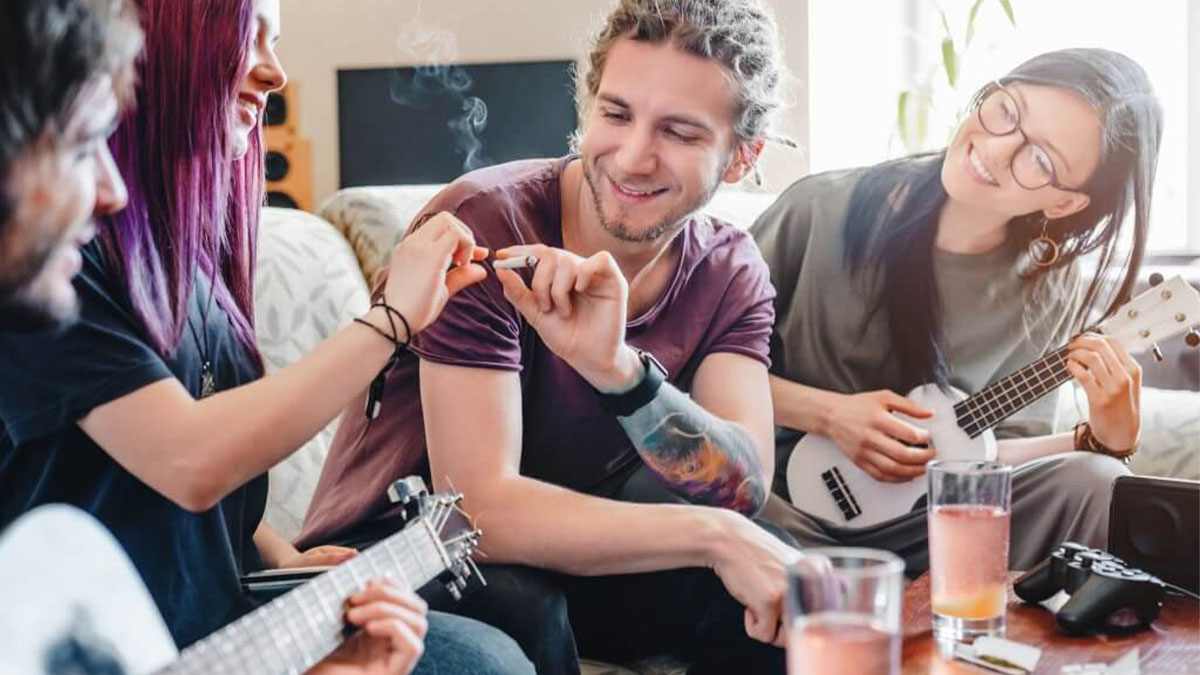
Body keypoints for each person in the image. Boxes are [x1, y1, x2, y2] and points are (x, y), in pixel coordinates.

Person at [0, 1, 534, 673]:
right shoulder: (52, 262)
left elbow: (196, 478)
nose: (276, 73)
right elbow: (191, 460)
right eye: (248, 36)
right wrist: (392, 319)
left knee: (504, 633)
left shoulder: (193, 254)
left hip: (218, 617)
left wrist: (285, 559)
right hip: (118, 646)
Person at [296, 1, 827, 673]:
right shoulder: (485, 225)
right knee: (527, 604)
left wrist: (620, 373)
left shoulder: (728, 268)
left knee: (794, 587)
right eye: (616, 114)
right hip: (404, 548)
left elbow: (740, 488)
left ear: (742, 156)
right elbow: (477, 508)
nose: (633, 157)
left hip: (573, 552)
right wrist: (714, 536)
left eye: (680, 132)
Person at [751, 48, 1162, 572]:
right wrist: (830, 414)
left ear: (1064, 204)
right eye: (1007, 111)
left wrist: (1101, 440)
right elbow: (693, 372)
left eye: (1040, 160)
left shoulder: (1049, 287)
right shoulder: (817, 211)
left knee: (1096, 482)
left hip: (935, 525)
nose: (995, 150)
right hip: (780, 515)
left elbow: (989, 459)